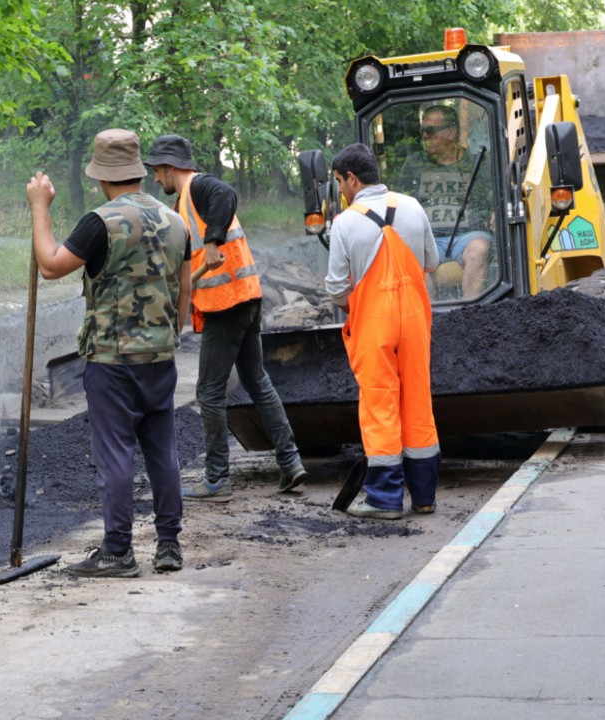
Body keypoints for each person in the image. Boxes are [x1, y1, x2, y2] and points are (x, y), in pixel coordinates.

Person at [26, 128, 191, 577]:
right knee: (163, 450)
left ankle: (118, 551)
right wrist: (166, 337)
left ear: (101, 176)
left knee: (116, 453)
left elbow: (49, 264)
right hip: (161, 357)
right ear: (137, 171)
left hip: (112, 361)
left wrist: (40, 207)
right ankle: (169, 545)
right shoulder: (176, 222)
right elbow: (184, 295)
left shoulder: (100, 222)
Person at [145, 134, 307, 502]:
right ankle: (291, 460)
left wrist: (214, 242)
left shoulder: (199, 187)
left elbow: (226, 194)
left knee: (209, 391)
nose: (156, 178)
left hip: (227, 304)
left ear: (171, 167)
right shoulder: (185, 202)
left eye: (157, 171)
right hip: (246, 297)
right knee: (257, 380)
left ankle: (217, 478)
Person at [326, 143, 442, 519]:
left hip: (374, 325)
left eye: (340, 182)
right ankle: (424, 497)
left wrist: (361, 304)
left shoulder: (344, 223)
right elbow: (431, 263)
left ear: (352, 178)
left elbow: (336, 289)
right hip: (414, 320)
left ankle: (384, 499)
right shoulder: (412, 206)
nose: (341, 190)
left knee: (380, 405)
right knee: (418, 402)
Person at [395, 104, 493, 299]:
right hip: (427, 238)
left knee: (479, 249)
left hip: (468, 237)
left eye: (430, 131)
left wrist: (494, 212)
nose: (424, 137)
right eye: (423, 131)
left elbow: (493, 200)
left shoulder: (478, 164)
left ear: (451, 132)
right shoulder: (413, 165)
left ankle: (471, 314)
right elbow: (400, 205)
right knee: (411, 256)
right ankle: (430, 321)